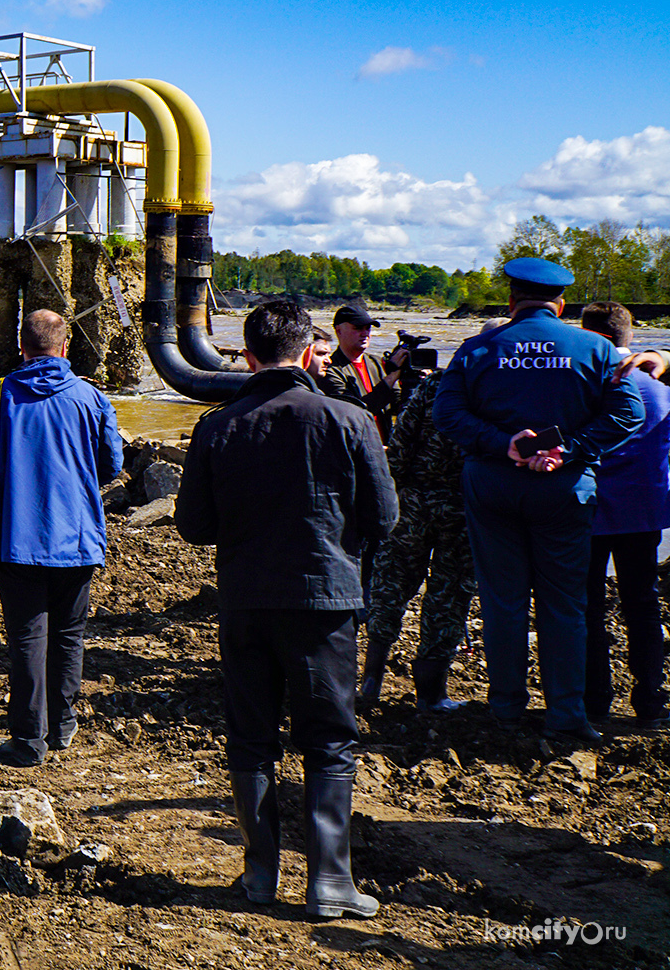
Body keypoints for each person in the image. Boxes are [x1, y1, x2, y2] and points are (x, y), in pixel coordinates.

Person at [178, 299, 397, 920]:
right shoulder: (349, 419)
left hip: (246, 599)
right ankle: (329, 881)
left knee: (251, 736)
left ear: (246, 358)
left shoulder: (217, 427)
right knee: (329, 739)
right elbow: (385, 518)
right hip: (324, 602)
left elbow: (194, 526)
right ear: (308, 352)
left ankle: (259, 874)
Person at [432, 259, 643, 746]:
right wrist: (570, 448)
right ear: (562, 303)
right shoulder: (597, 349)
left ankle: (505, 707)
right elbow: (628, 413)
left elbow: (447, 413)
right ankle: (566, 714)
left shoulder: (478, 347)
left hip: (493, 484)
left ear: (511, 301)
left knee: (503, 600)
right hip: (564, 489)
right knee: (565, 602)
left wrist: (501, 443)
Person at [0, 309, 123, 767]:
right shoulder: (91, 398)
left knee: (28, 639)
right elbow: (111, 465)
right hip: (77, 539)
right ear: (65, 346)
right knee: (69, 636)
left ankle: (29, 740)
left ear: (21, 345)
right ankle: (63, 725)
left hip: (15, 539)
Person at [360, 342, 476, 713]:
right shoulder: (495, 391)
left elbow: (401, 441)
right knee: (448, 594)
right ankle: (431, 694)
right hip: (461, 508)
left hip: (414, 501)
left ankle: (371, 680)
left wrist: (397, 492)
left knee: (391, 585)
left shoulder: (433, 386)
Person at [579, 302, 670, 731]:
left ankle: (595, 699)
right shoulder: (658, 384)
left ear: (587, 332)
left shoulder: (584, 378)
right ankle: (649, 700)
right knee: (643, 603)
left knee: (588, 606)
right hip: (643, 506)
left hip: (590, 507)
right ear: (628, 336)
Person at [317, 305, 407, 437]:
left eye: (368, 328)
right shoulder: (329, 370)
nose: (365, 333)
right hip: (353, 447)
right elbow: (354, 413)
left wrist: (416, 384)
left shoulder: (377, 363)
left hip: (383, 444)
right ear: (339, 331)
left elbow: (398, 404)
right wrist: (391, 377)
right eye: (357, 328)